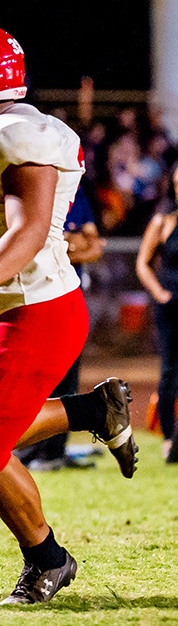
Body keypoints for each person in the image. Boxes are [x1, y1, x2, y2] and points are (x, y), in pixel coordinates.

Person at [0, 22, 135, 605]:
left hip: (34, 309)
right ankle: (92, 409)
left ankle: (48, 559)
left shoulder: (16, 134)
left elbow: (31, 231)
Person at [17, 186, 106, 470]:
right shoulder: (33, 187)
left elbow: (94, 248)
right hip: (34, 298)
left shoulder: (77, 194)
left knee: (67, 377)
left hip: (68, 299)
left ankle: (53, 451)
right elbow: (32, 246)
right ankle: (28, 447)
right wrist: (69, 243)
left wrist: (61, 245)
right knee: (35, 378)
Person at [136, 164, 178, 463]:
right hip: (171, 304)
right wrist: (160, 294)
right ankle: (168, 437)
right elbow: (143, 263)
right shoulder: (163, 221)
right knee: (169, 372)